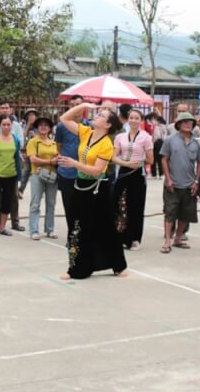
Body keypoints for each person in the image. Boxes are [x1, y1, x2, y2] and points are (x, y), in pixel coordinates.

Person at [57, 103, 126, 279]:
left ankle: (118, 265)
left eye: (102, 116)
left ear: (108, 125)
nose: (97, 116)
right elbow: (64, 118)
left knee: (105, 226)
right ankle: (77, 268)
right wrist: (83, 105)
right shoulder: (86, 132)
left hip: (97, 189)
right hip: (80, 185)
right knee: (77, 227)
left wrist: (75, 164)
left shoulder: (107, 144)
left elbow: (96, 171)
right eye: (98, 113)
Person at [160, 112, 200, 253]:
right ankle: (167, 241)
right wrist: (168, 179)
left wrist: (196, 181)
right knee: (170, 213)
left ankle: (178, 238)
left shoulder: (197, 142)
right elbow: (164, 159)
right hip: (173, 184)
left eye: (190, 122)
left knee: (185, 214)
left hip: (189, 184)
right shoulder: (170, 140)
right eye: (184, 121)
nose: (188, 124)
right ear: (178, 124)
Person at [112, 109, 153, 250]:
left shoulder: (146, 137)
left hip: (137, 173)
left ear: (141, 120)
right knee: (120, 204)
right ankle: (120, 236)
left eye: (137, 118)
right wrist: (125, 163)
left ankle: (135, 238)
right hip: (123, 172)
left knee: (136, 206)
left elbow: (150, 160)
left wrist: (137, 163)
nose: (133, 120)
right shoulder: (120, 137)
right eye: (131, 117)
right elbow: (113, 156)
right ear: (127, 119)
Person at [0, 100, 25, 231]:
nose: (5, 110)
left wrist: (9, 139)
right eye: (2, 108)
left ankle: (15, 221)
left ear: (11, 110)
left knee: (13, 196)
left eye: (7, 107)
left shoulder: (17, 125)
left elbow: (20, 142)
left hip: (12, 165)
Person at [56, 94, 86, 241]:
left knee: (84, 207)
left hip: (84, 172)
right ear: (69, 107)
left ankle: (83, 236)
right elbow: (59, 146)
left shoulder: (90, 126)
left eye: (78, 104)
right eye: (73, 105)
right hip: (66, 173)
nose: (75, 108)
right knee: (69, 207)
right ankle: (72, 236)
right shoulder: (61, 126)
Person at [26, 117, 59, 240]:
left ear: (50, 128)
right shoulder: (33, 142)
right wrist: (50, 161)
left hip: (52, 176)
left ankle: (50, 229)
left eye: (46, 125)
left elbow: (59, 157)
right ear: (37, 127)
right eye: (41, 125)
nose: (43, 127)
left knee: (51, 203)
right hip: (37, 174)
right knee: (35, 203)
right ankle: (34, 230)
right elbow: (33, 159)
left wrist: (56, 160)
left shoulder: (54, 143)